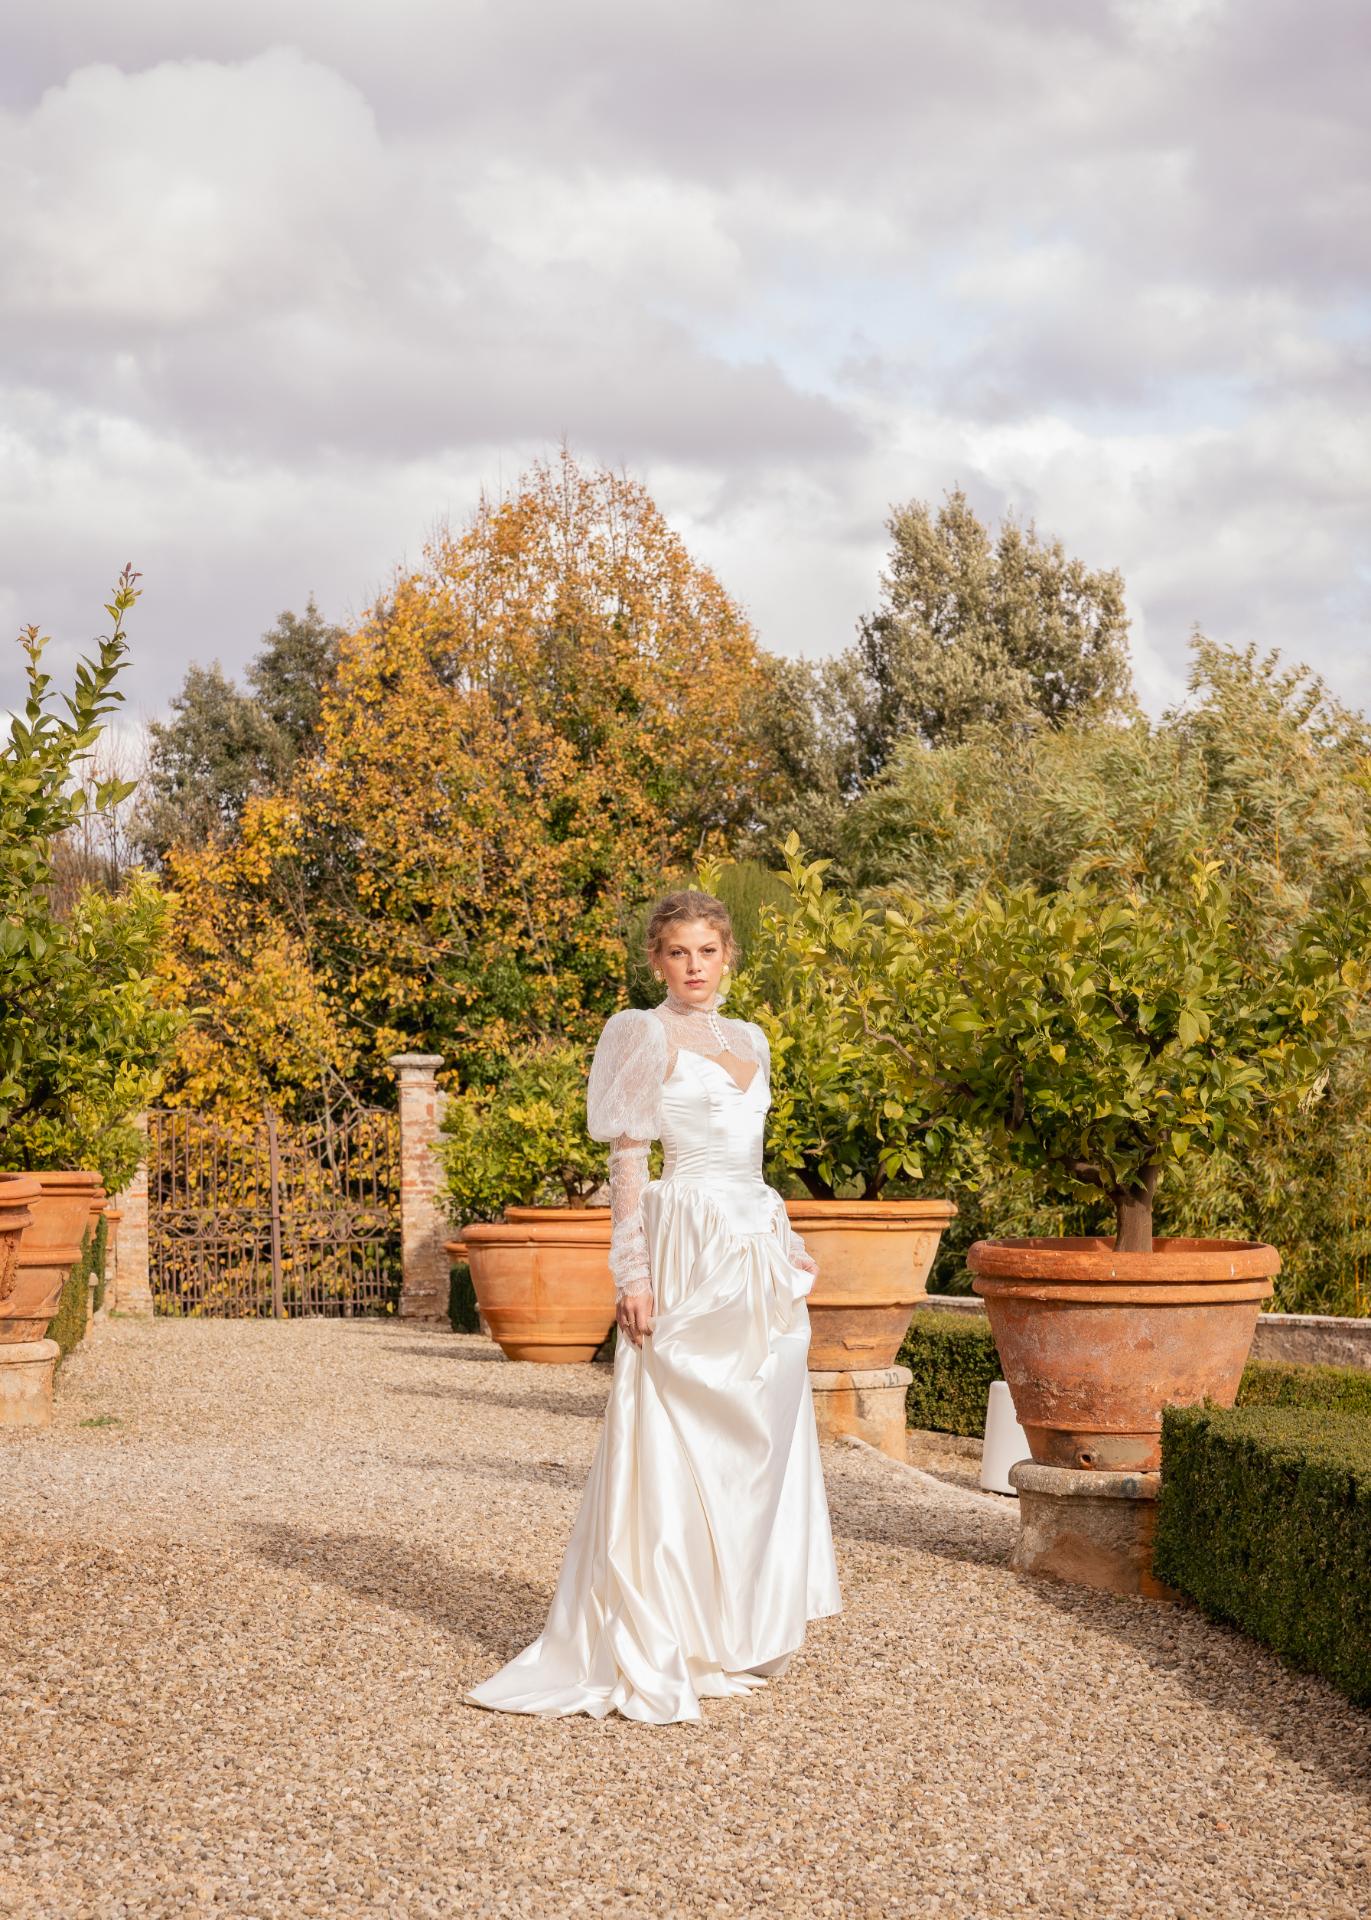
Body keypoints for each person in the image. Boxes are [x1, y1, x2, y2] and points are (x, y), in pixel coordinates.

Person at [466, 888, 842, 1724]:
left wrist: (780, 1239)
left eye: (707, 951)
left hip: (754, 1245)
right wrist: (630, 1273)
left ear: (728, 956)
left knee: (763, 1434)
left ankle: (732, 1626)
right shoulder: (641, 1033)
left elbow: (751, 1157)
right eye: (678, 953)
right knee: (678, 1432)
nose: (694, 967)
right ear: (656, 960)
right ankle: (664, 1627)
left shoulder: (751, 1040)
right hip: (687, 1246)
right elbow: (629, 1163)